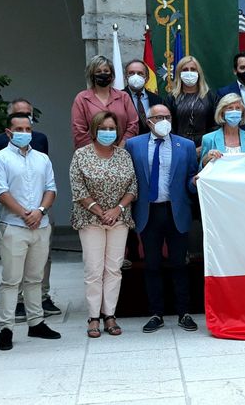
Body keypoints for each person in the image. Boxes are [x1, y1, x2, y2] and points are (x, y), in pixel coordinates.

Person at [0, 113, 61, 350]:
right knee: (11, 281)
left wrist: (39, 211)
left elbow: (51, 188)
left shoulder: (42, 159)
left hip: (40, 225)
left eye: (28, 129)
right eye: (19, 129)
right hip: (14, 227)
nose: (24, 133)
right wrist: (24, 214)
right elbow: (0, 192)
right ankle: (6, 328)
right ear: (8, 132)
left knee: (35, 278)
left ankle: (36, 322)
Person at [125, 105, 199, 333]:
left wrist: (195, 183)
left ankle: (184, 312)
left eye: (167, 117)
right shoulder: (133, 145)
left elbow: (190, 179)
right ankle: (156, 313)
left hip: (176, 211)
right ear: (149, 121)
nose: (164, 120)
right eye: (159, 117)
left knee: (179, 264)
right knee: (152, 264)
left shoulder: (184, 146)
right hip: (148, 212)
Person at [69, 111, 137, 337]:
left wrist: (117, 210)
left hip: (119, 219)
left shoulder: (123, 156)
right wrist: (100, 211)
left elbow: (132, 188)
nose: (108, 133)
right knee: (93, 269)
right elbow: (78, 189)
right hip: (90, 220)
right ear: (94, 130)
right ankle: (93, 317)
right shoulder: (81, 155)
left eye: (112, 129)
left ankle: (110, 315)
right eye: (103, 128)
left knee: (113, 269)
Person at [71, 55, 139, 149]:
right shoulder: (82, 98)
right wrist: (97, 152)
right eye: (98, 71)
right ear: (92, 75)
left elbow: (133, 124)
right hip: (91, 155)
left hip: (121, 152)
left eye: (106, 71)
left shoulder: (124, 96)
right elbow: (79, 130)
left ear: (111, 74)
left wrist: (121, 147)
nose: (103, 73)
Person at [168, 55, 216, 156]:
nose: (189, 72)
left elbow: (215, 124)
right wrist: (178, 146)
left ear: (199, 73)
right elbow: (169, 126)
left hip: (206, 148)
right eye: (185, 70)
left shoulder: (210, 96)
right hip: (178, 148)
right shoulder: (172, 98)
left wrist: (205, 146)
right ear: (179, 74)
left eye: (193, 69)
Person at [200, 93, 245, 167]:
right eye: (230, 108)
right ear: (222, 112)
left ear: (242, 112)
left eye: (238, 108)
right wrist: (207, 160)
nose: (234, 111)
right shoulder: (208, 139)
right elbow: (201, 171)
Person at [124, 58, 164, 136]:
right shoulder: (119, 97)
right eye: (131, 73)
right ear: (126, 77)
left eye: (140, 73)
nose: (135, 76)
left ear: (147, 78)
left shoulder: (158, 100)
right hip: (127, 143)